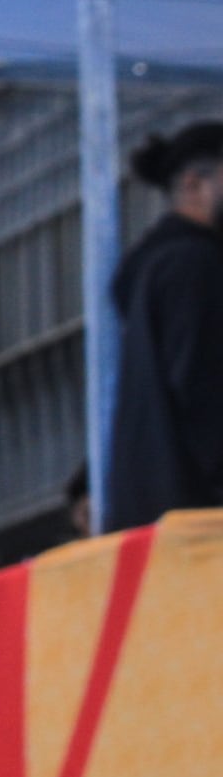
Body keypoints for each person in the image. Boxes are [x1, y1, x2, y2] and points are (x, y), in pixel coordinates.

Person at [105, 116, 223, 529]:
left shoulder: (155, 269)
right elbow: (203, 386)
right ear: (194, 184)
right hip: (201, 521)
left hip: (159, 517)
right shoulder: (196, 265)